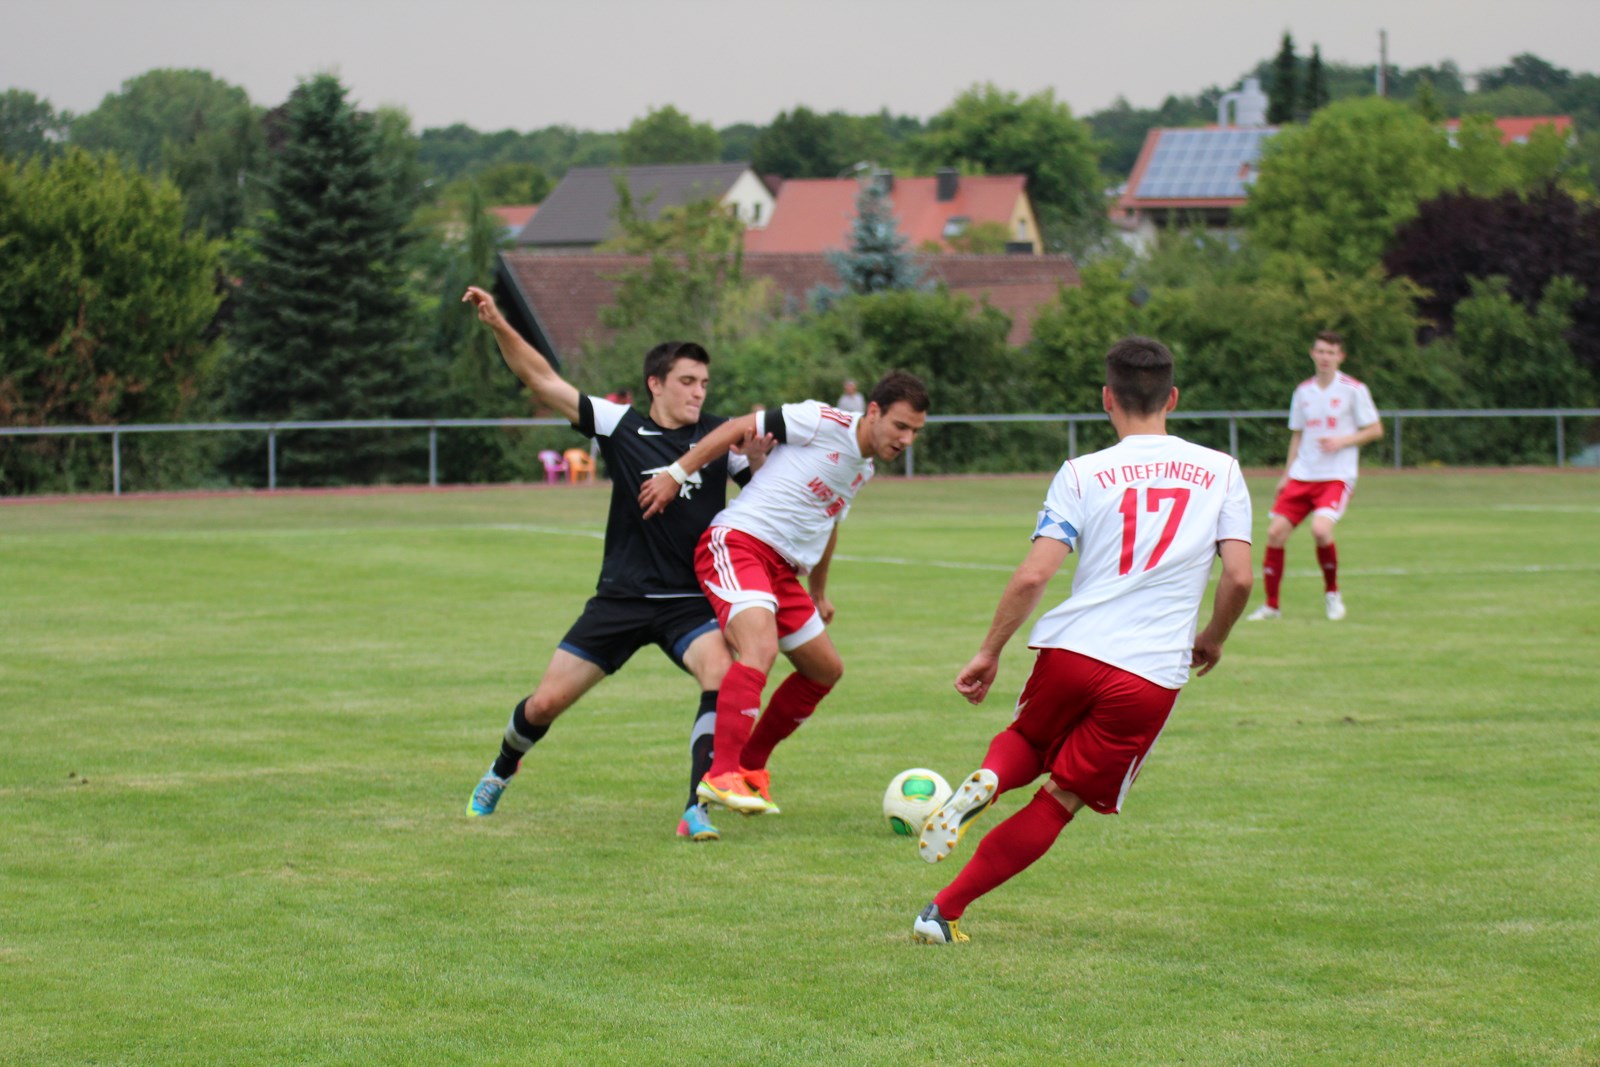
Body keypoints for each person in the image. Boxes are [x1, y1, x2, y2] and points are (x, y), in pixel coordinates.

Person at [911, 337, 1253, 945]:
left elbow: (1035, 574)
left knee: (1025, 741)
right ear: (1172, 397)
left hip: (1073, 649)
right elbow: (1240, 574)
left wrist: (990, 650)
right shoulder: (1221, 471)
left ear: (1107, 399)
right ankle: (943, 911)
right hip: (1147, 675)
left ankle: (989, 778)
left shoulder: (1082, 472)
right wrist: (1214, 638)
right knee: (1060, 799)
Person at [459, 285, 768, 842]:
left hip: (689, 604)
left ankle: (697, 804)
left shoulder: (719, 437)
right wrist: (500, 323)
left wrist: (765, 463)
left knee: (721, 676)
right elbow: (542, 380)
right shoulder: (620, 425)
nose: (699, 393)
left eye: (703, 383)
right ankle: (503, 768)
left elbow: (770, 494)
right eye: (687, 382)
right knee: (546, 702)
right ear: (656, 383)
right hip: (621, 598)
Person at [638, 372, 930, 820]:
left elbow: (829, 523)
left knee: (824, 671)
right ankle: (721, 775)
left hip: (783, 571)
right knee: (760, 648)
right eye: (901, 426)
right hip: (739, 543)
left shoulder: (863, 468)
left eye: (915, 432)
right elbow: (738, 428)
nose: (906, 439)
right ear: (873, 411)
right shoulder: (820, 419)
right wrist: (677, 474)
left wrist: (818, 592)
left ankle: (751, 767)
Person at [1246, 330, 1383, 622]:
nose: (1325, 357)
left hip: (1336, 475)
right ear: (1312, 353)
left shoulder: (1354, 389)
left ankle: (1332, 595)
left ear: (1340, 357)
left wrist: (1342, 441)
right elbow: (1297, 435)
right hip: (1302, 475)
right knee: (1274, 533)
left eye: (1331, 353)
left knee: (1320, 531)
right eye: (1320, 351)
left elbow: (1375, 429)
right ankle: (1271, 606)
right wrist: (1286, 474)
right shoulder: (1303, 391)